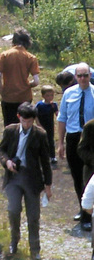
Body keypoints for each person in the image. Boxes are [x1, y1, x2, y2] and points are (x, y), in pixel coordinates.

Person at [0, 102, 52, 260]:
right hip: (13, 177)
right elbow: (1, 150)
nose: (27, 124)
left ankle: (35, 249)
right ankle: (14, 241)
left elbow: (45, 161)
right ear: (18, 117)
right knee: (13, 210)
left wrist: (48, 185)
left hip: (32, 179)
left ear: (34, 120)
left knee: (33, 216)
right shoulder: (10, 131)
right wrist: (6, 162)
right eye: (24, 121)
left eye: (30, 121)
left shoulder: (40, 134)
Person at [57, 62, 94, 230]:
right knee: (77, 176)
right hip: (73, 137)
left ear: (90, 76)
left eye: (85, 75)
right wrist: (60, 143)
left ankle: (87, 215)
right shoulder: (69, 94)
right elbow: (62, 118)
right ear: (75, 77)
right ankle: (82, 207)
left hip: (90, 138)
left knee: (88, 177)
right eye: (79, 76)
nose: (82, 79)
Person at [0, 28, 40, 128]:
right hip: (25, 97)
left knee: (10, 127)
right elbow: (36, 81)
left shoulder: (4, 55)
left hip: (9, 97)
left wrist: (3, 93)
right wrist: (28, 85)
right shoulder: (31, 57)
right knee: (24, 126)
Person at [35, 85, 58, 165]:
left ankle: (52, 156)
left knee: (50, 140)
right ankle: (41, 156)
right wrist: (38, 124)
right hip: (41, 125)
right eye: (47, 95)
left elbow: (57, 114)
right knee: (41, 140)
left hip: (50, 125)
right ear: (43, 95)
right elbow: (36, 115)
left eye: (51, 95)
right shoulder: (40, 105)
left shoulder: (53, 105)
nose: (50, 97)